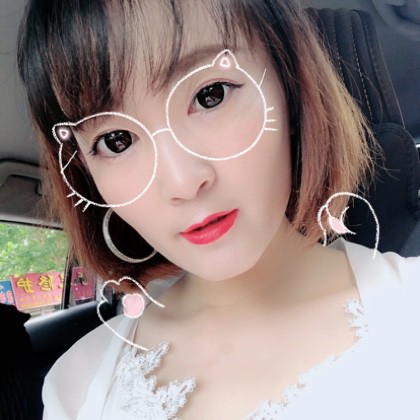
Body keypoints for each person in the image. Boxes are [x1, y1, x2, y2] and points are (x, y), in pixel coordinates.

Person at [17, 0, 420, 419]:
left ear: (289, 81)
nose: (182, 182)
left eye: (210, 95)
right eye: (116, 141)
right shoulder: (77, 384)